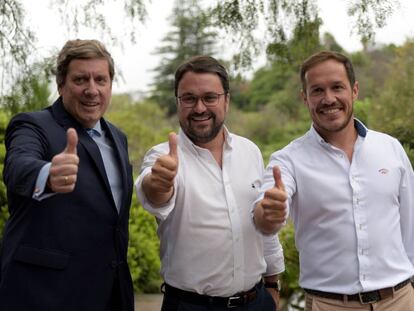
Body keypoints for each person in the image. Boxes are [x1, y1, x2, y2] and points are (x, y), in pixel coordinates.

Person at [254, 50, 414, 310]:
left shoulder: (391, 148)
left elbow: (411, 222)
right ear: (305, 98)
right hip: (330, 304)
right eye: (317, 90)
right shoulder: (287, 160)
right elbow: (263, 215)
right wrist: (268, 212)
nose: (328, 99)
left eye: (337, 87)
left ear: (354, 90)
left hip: (401, 300)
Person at [135, 55, 285, 311]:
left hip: (256, 301)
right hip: (191, 306)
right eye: (189, 98)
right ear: (178, 103)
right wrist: (159, 183)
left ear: (226, 100)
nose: (200, 108)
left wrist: (272, 283)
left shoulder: (250, 151)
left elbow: (263, 225)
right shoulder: (163, 157)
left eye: (209, 97)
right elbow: (154, 194)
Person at [0, 39, 134, 311]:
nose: (92, 90)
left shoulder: (118, 137)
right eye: (81, 79)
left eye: (101, 80)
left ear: (110, 85)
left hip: (109, 294)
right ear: (61, 84)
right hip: (44, 295)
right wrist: (48, 173)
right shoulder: (32, 124)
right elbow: (18, 165)